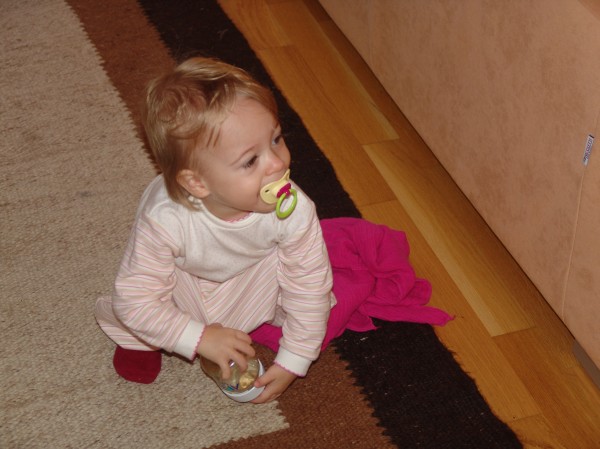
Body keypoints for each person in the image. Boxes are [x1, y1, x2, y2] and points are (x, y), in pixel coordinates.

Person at [95, 57, 336, 404]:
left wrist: (295, 357)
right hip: (183, 282)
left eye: (276, 139)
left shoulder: (294, 209)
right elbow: (135, 297)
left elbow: (309, 283)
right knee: (136, 312)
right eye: (250, 160)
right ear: (197, 183)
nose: (277, 163)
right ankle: (140, 343)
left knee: (314, 296)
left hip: (247, 276)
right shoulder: (166, 218)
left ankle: (237, 327)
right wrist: (198, 336)